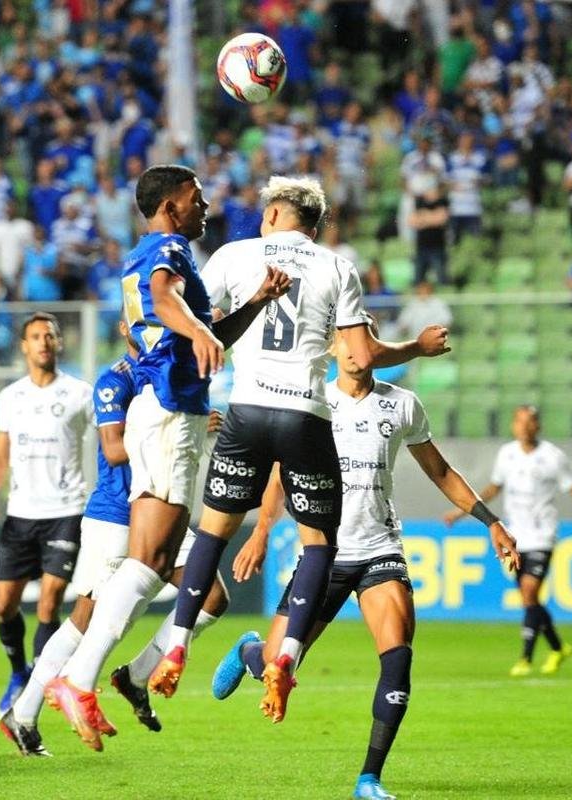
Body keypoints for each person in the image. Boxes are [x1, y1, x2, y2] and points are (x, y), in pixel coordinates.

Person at [148, 175, 451, 726]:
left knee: (212, 534)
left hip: (246, 411)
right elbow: (357, 355)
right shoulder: (338, 267)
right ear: (316, 225)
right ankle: (284, 658)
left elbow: (197, 325)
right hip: (306, 417)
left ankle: (178, 643)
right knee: (318, 546)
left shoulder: (230, 256)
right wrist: (414, 348)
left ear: (271, 215)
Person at [215, 320, 518, 800]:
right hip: (323, 556)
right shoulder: (312, 404)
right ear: (333, 347)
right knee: (276, 664)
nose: (360, 347)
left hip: (380, 549)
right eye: (350, 338)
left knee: (398, 660)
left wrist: (490, 520)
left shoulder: (401, 405)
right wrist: (261, 533)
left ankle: (369, 779)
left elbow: (439, 470)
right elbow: (278, 472)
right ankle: (251, 652)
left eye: (369, 338)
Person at [44, 165, 289, 751]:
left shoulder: (150, 253)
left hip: (163, 411)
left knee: (153, 561)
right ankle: (77, 679)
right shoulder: (168, 249)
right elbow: (164, 297)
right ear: (171, 205)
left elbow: (194, 324)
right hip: (170, 414)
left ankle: (86, 679)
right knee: (151, 562)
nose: (205, 205)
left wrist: (252, 303)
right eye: (196, 197)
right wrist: (198, 332)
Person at [3, 322, 228, 756]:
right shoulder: (115, 380)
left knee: (211, 596)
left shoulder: (164, 373)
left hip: (158, 507)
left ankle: (136, 675)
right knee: (84, 619)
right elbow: (111, 448)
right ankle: (24, 713)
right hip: (117, 516)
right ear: (127, 327)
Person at [0, 312, 94, 731]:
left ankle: (33, 693)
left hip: (65, 510)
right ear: (24, 346)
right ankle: (18, 671)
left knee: (49, 601)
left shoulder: (81, 394)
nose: (43, 342)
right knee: (3, 604)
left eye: (50, 336)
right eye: (35, 336)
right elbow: (0, 455)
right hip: (21, 514)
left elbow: (117, 432)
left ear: (59, 343)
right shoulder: (10, 398)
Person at [443, 406, 572, 676]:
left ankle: (525, 658)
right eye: (519, 421)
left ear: (538, 426)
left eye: (529, 422)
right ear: (513, 426)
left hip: (543, 534)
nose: (524, 426)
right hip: (514, 536)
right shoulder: (506, 454)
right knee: (528, 599)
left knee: (530, 592)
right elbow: (493, 488)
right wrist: (460, 512)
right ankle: (557, 648)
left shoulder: (553, 457)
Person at [410, 183, 450, 285]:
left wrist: (423, 218)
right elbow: (412, 221)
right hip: (421, 247)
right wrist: (432, 217)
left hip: (437, 248)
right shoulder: (419, 202)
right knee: (418, 279)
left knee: (441, 278)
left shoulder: (443, 201)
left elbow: (441, 219)